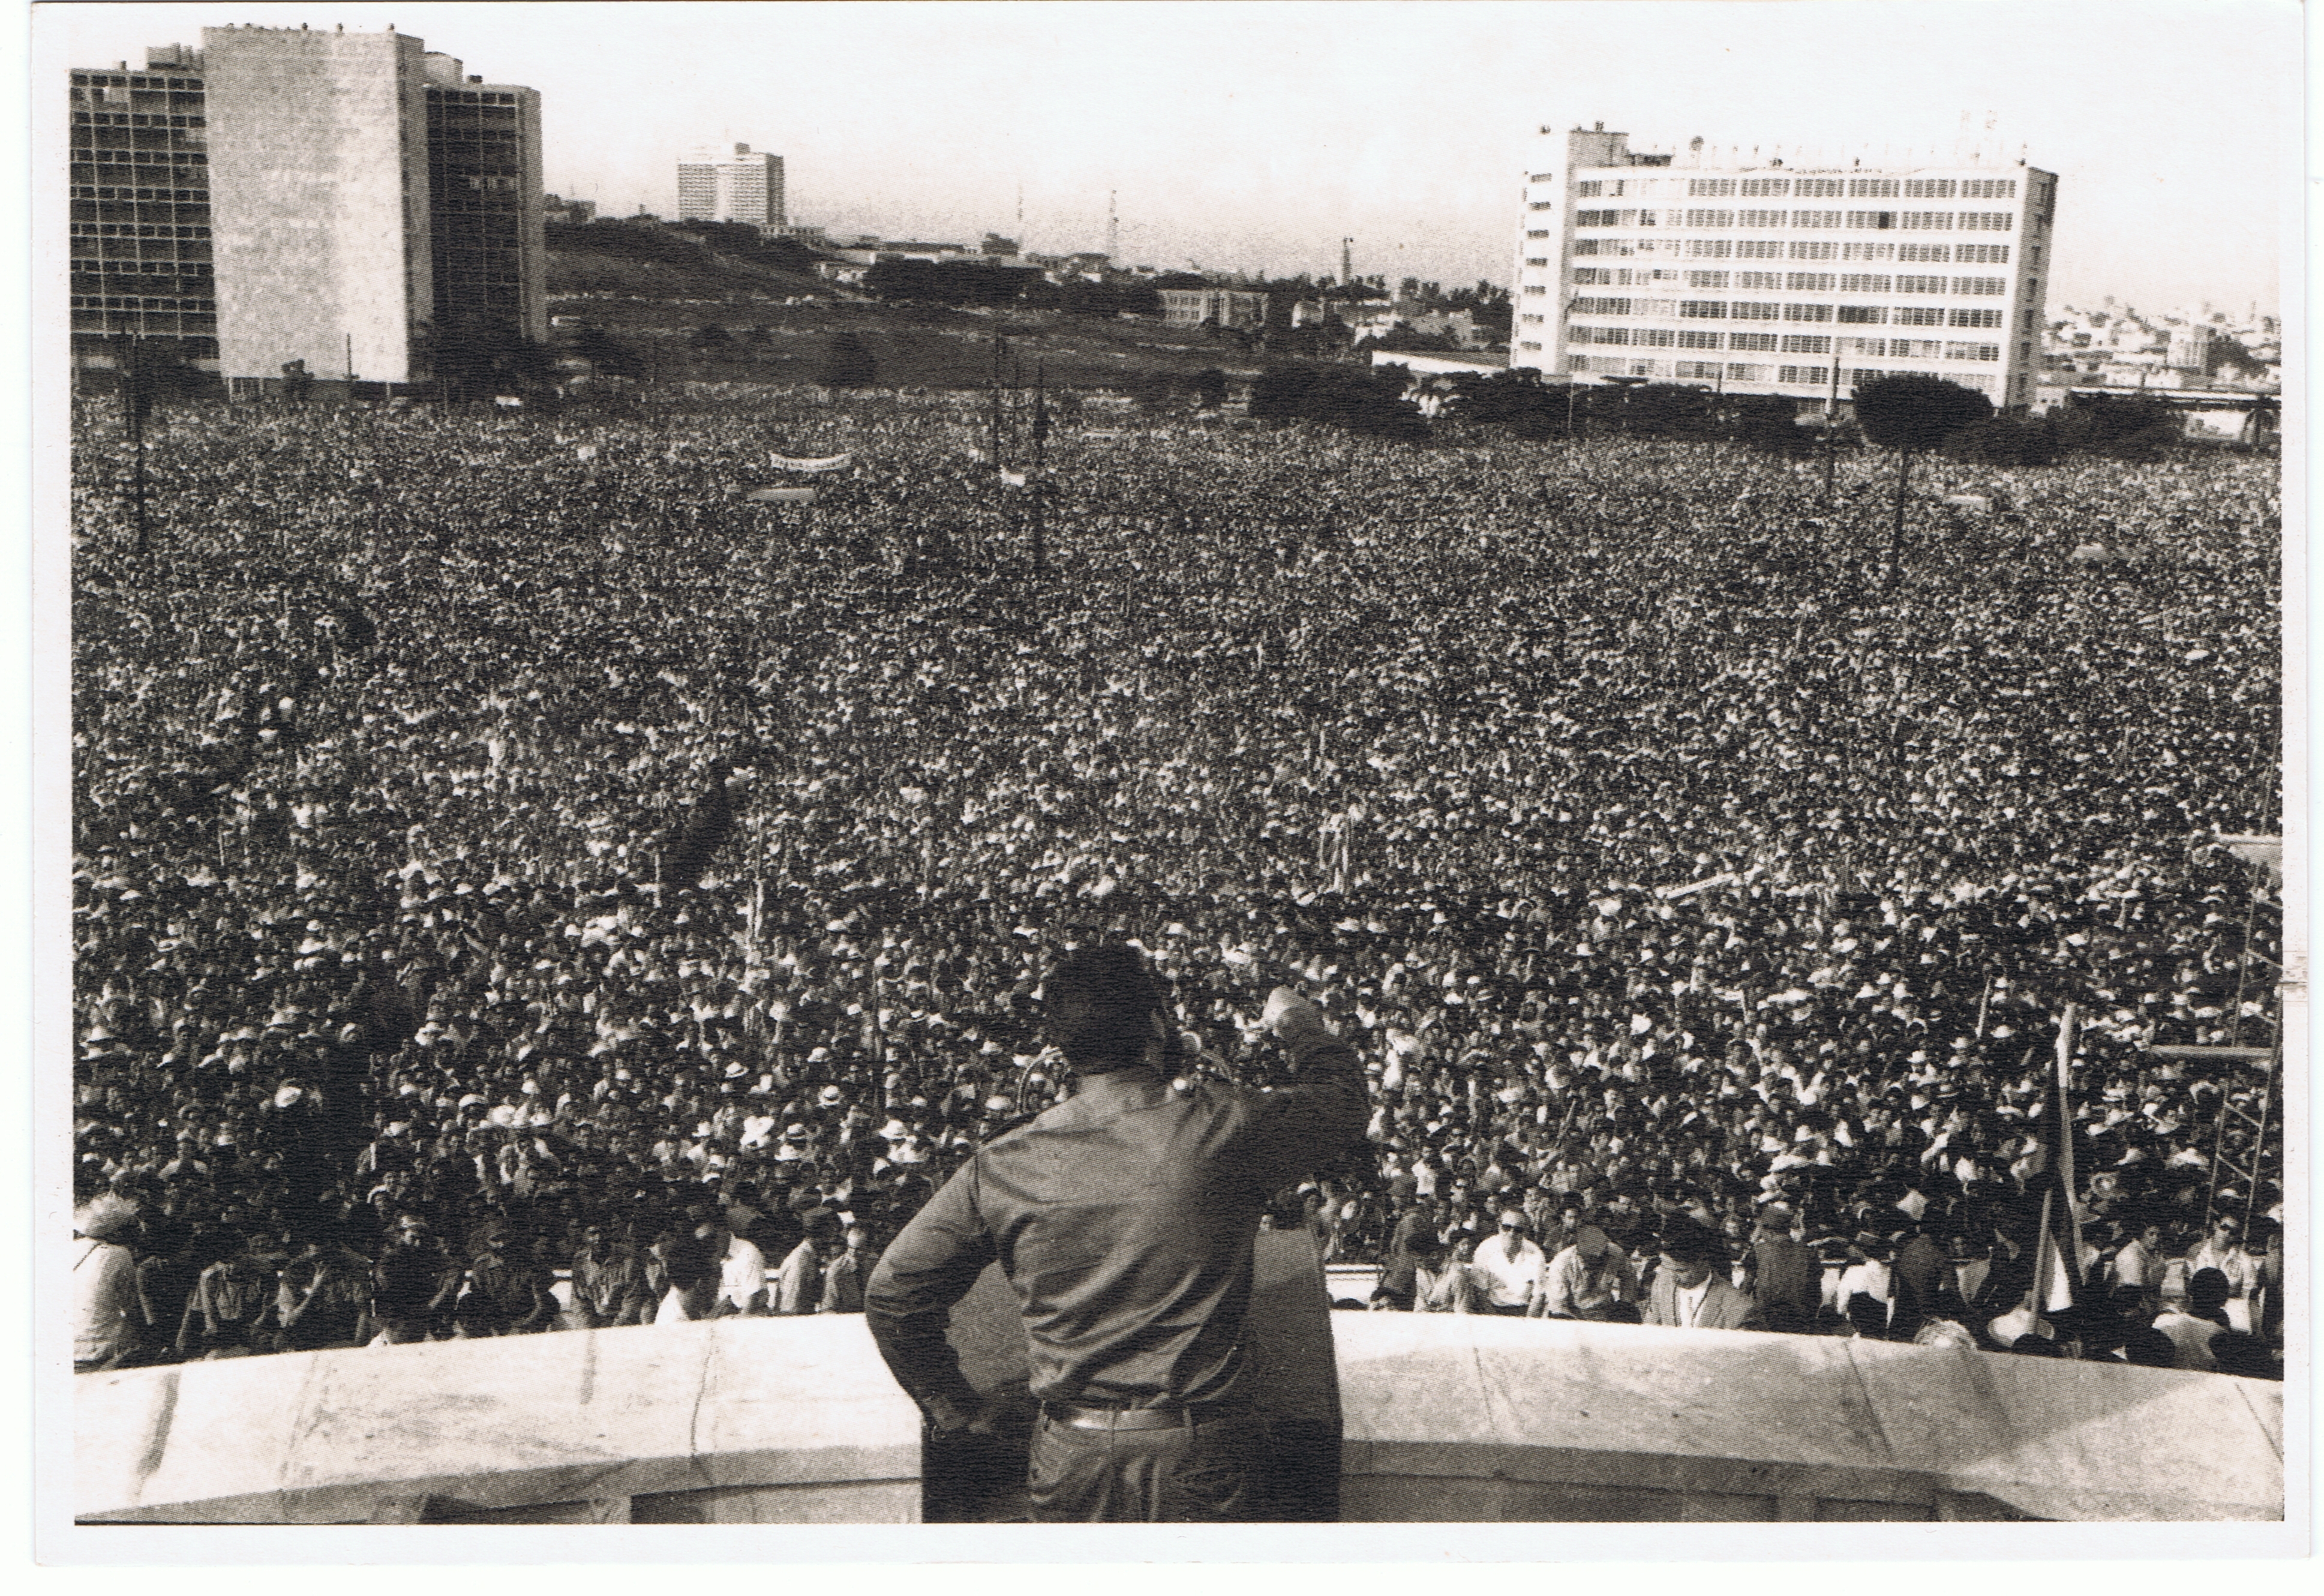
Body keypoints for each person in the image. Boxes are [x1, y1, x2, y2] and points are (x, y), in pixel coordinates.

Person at [865, 947, 1367, 1523]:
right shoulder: (1225, 1124)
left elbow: (893, 1295)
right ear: (1155, 1025)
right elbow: (1345, 1101)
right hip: (1200, 1455)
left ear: (1062, 1048)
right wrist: (1296, 1023)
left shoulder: (1004, 1160)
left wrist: (954, 1410)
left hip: (1068, 1456)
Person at [1643, 1222, 1764, 1331]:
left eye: (1681, 1271)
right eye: (1666, 1268)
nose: (1673, 1278)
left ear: (1704, 1262)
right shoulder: (1661, 1283)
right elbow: (1651, 1330)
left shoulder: (1739, 1306)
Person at [74, 1195, 143, 1370]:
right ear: (117, 1231)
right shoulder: (118, 1253)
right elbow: (130, 1305)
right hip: (99, 1345)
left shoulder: (72, 1248)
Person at [1743, 1205, 1818, 1335]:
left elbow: (1746, 1287)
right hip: (1799, 1318)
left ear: (1768, 1230)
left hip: (1765, 1317)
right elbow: (1815, 1291)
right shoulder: (1809, 1253)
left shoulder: (1758, 1251)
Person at [1535, 1223, 1633, 1322]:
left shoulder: (1615, 1253)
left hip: (1603, 1312)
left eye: (1602, 1256)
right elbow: (1559, 1305)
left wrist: (1625, 1303)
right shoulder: (1562, 1262)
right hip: (1571, 1314)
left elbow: (1630, 1277)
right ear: (1580, 1253)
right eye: (1592, 1258)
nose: (1599, 1260)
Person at [1470, 1210, 1545, 1316]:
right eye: (1506, 1227)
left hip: (1525, 1312)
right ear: (1499, 1226)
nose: (1511, 1234)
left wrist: (1528, 1323)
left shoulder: (1535, 1252)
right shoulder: (1485, 1249)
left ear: (1526, 1231)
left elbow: (1538, 1295)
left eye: (1518, 1230)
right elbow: (1480, 1291)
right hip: (1493, 1310)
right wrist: (1495, 1320)